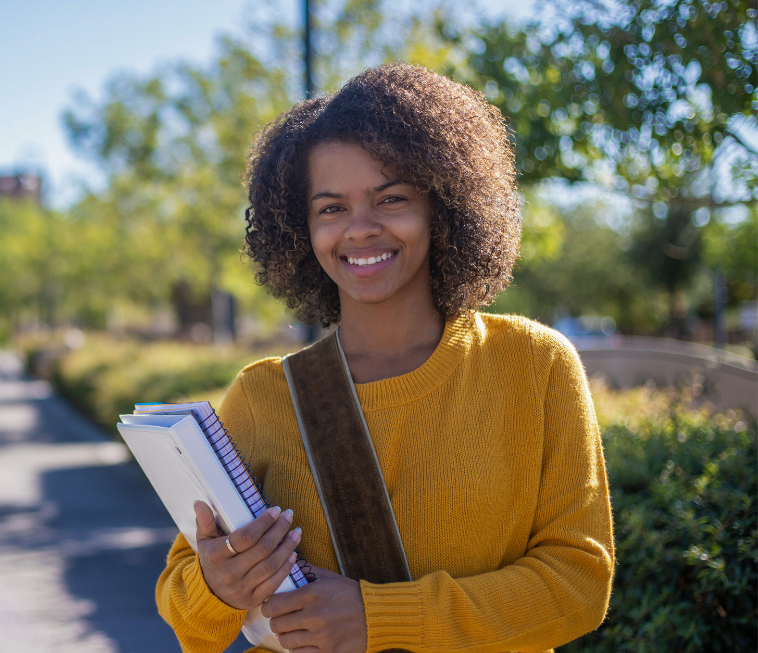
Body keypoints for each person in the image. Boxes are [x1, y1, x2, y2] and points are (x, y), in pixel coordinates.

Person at [157, 64, 614, 653]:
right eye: (331, 208)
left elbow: (579, 584)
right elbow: (184, 608)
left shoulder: (535, 365)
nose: (360, 229)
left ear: (443, 206)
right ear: (300, 229)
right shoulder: (264, 396)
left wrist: (380, 618)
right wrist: (216, 587)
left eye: (390, 199)